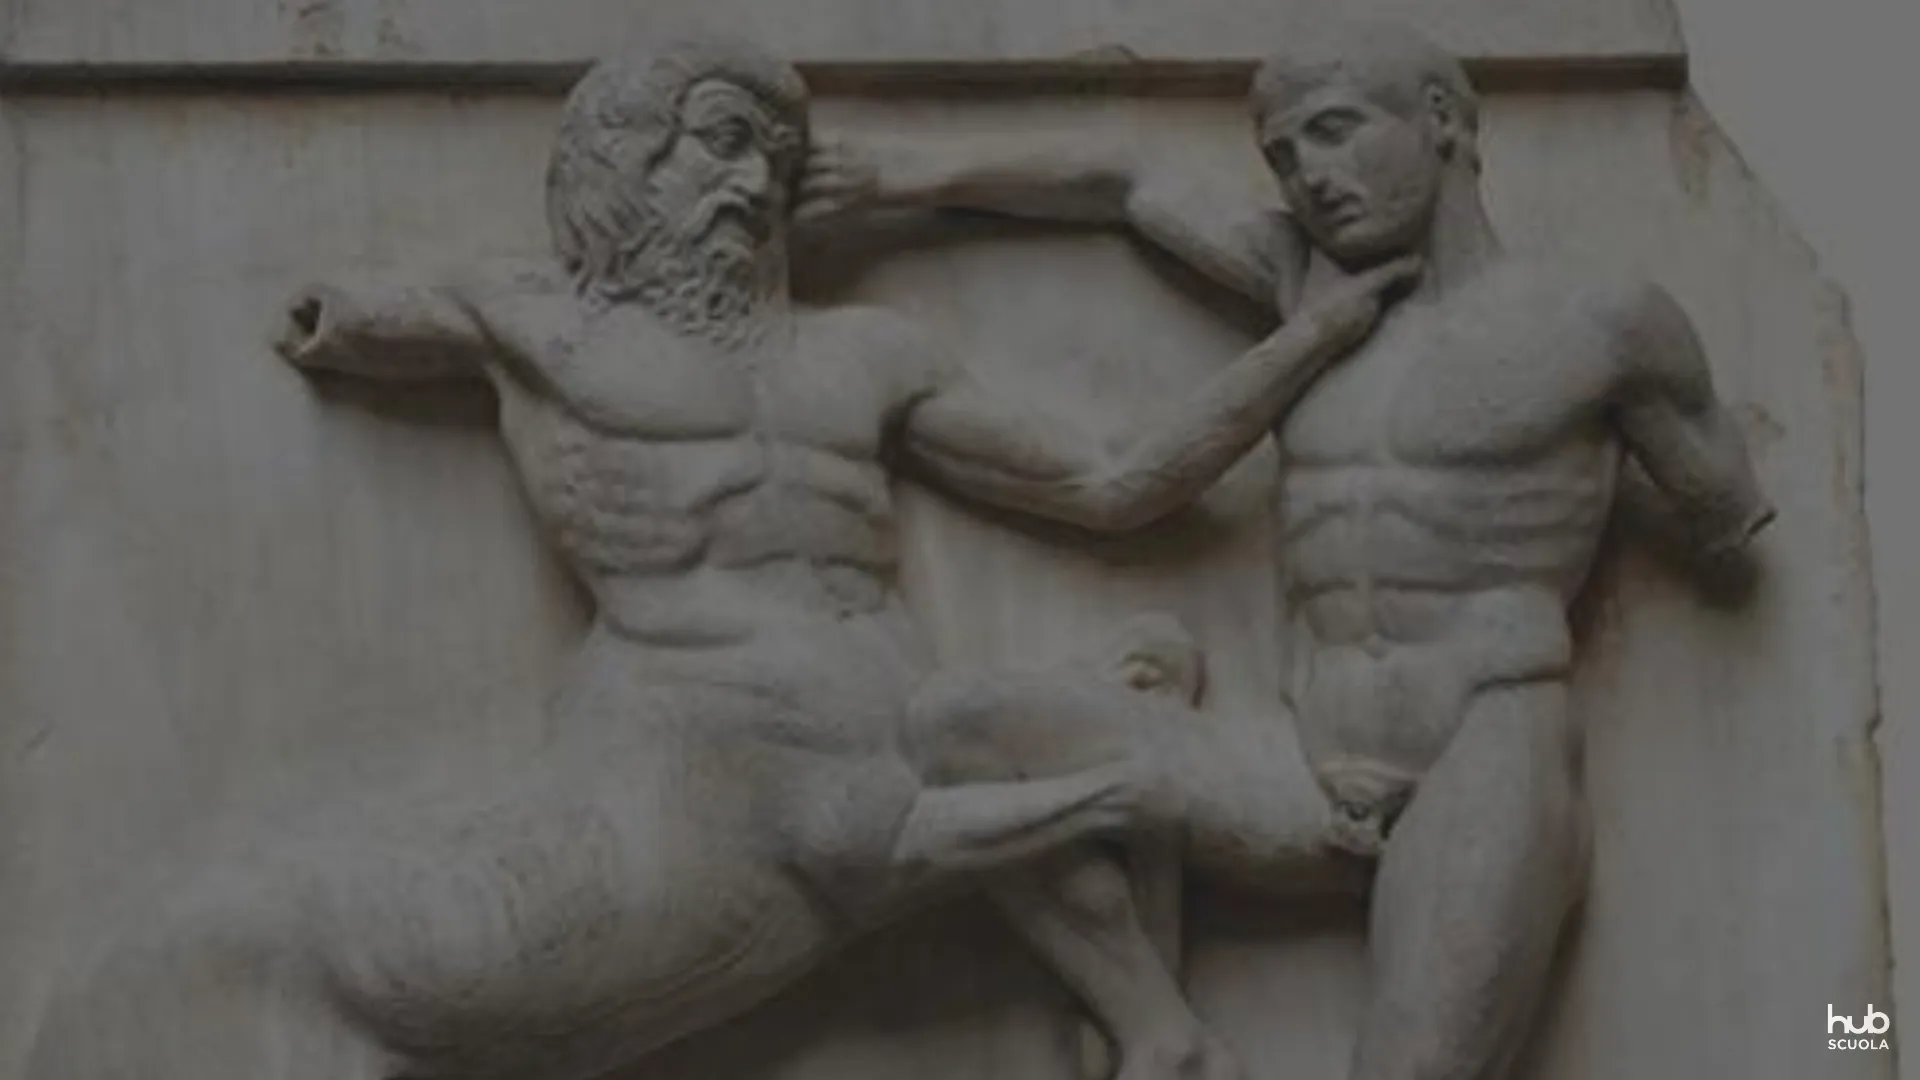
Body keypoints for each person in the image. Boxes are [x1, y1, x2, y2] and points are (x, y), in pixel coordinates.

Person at [23, 34, 1412, 1080]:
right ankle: (1190, 910)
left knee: (1053, 698)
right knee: (1043, 723)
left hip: (862, 723)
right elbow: (353, 313)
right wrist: (341, 314)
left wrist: (1308, 340)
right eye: (721, 145)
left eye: (775, 159)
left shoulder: (868, 356)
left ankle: (1162, 1012)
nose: (755, 184)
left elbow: (1114, 484)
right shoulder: (532, 323)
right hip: (693, 724)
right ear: (626, 162)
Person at [827, 19, 1775, 1080]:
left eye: (1333, 131)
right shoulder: (1302, 283)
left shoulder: (1603, 322)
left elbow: (1728, 515)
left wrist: (1693, 488)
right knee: (963, 727)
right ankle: (1161, 1031)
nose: (1309, 177)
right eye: (1282, 156)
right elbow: (1123, 181)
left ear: (1443, 120)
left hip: (1480, 752)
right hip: (1299, 758)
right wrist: (900, 174)